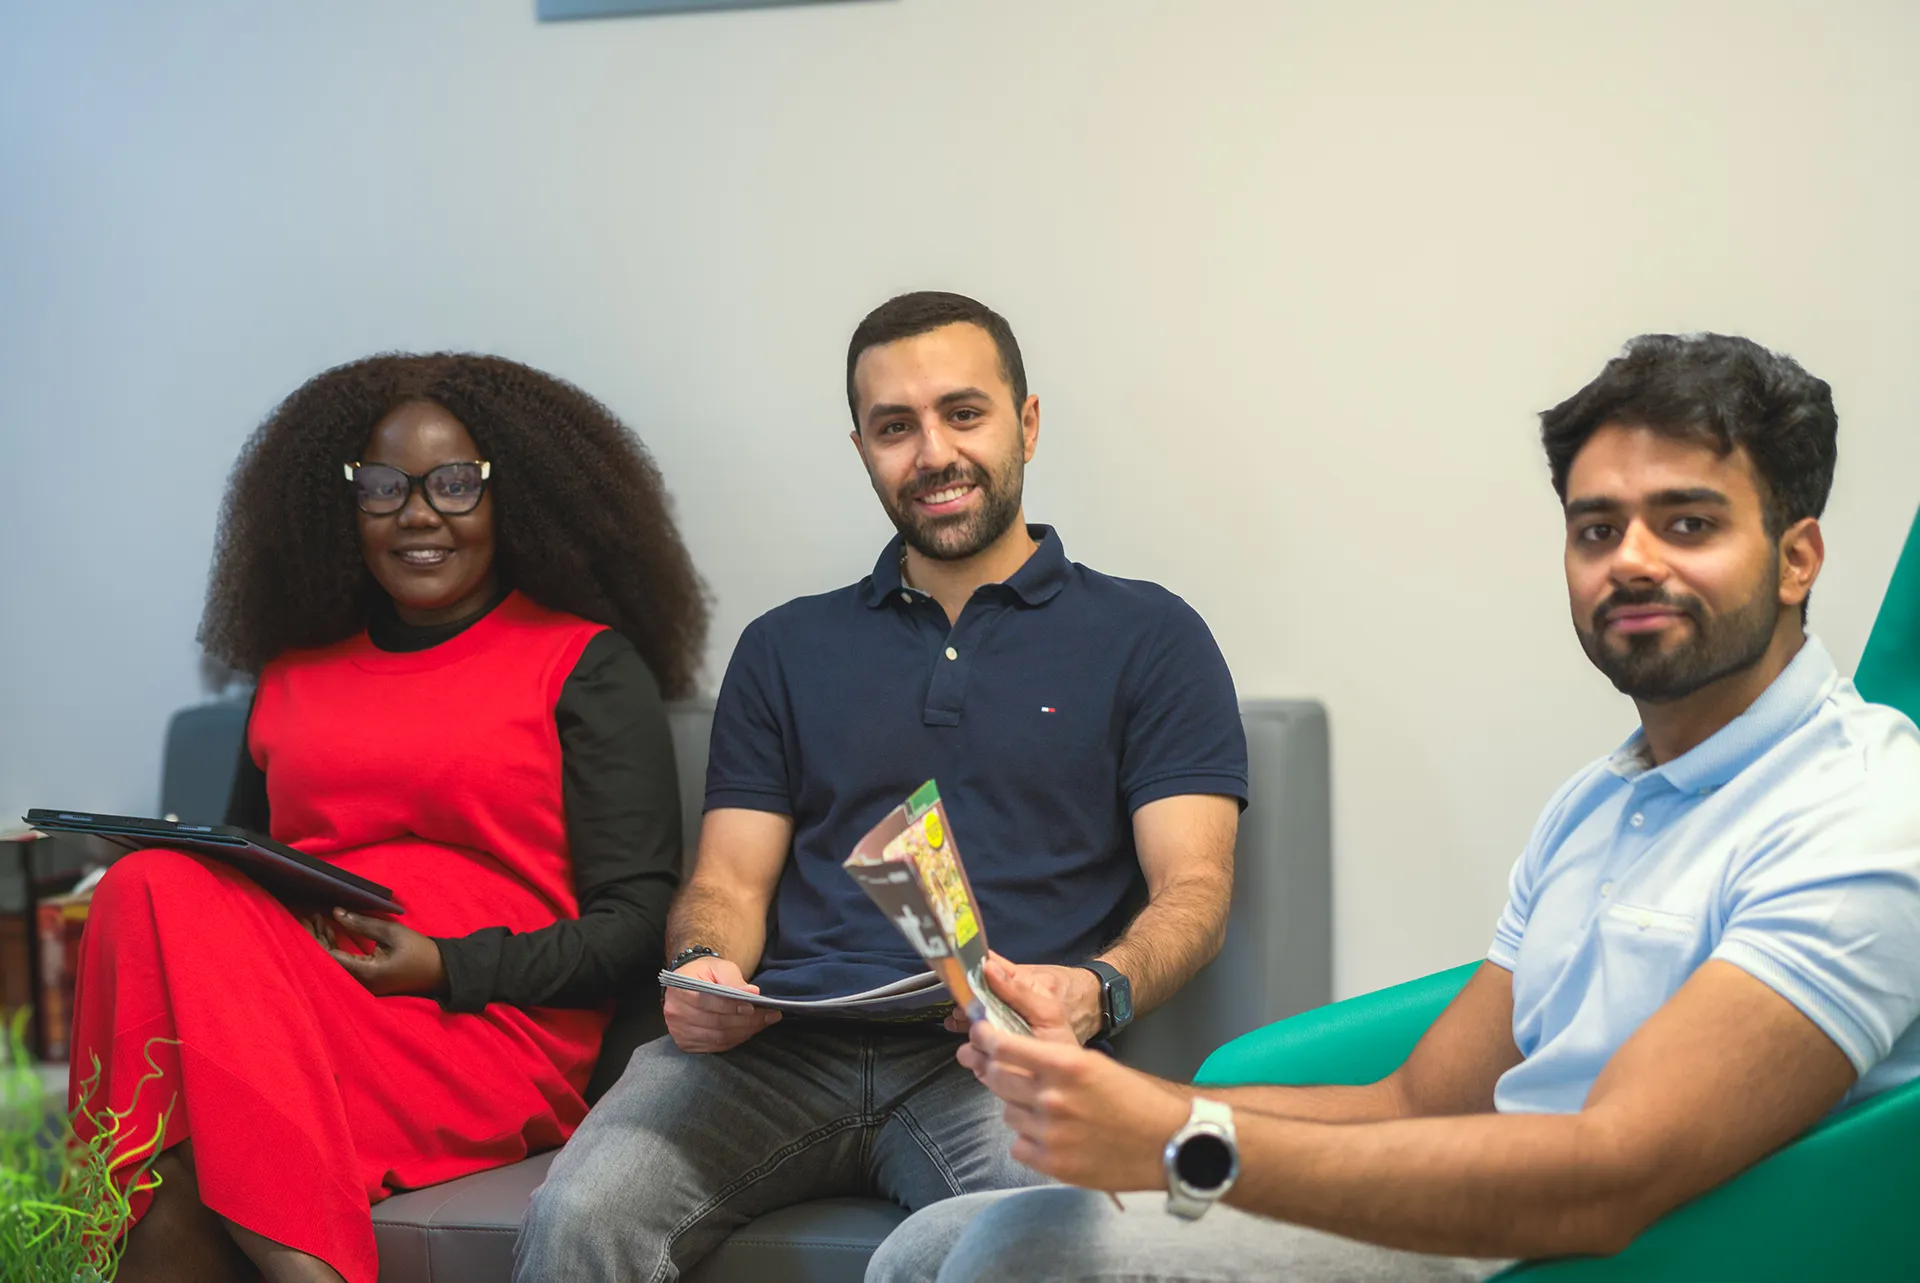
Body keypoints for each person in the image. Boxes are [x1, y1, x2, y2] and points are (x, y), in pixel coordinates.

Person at [870, 332, 1920, 1282]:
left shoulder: (1867, 809)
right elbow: (1418, 1102)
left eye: (1687, 522)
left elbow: (1607, 1173)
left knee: (1020, 1246)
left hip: (1591, 1244)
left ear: (1796, 559)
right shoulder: (1603, 800)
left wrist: (1176, 1139)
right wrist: (1103, 1102)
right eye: (1598, 529)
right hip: (1479, 1203)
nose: (1632, 559)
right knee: (930, 1237)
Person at [514, 291, 1250, 1280]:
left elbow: (1194, 887)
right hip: (774, 1052)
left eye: (964, 412)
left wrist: (1096, 991)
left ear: (1026, 423)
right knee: (579, 1212)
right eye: (894, 427)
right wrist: (706, 967)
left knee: (1047, 1237)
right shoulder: (783, 646)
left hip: (994, 1052)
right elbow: (730, 881)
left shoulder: (1150, 636)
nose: (932, 452)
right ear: (861, 446)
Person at [70, 353, 708, 1283]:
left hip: (481, 1021)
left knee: (172, 1123)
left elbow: (635, 928)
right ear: (344, 504)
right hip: (287, 1012)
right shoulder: (290, 675)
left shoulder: (585, 665)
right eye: (384, 487)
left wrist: (444, 963)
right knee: (150, 883)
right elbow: (230, 880)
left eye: (456, 484)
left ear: (512, 497)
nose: (418, 513)